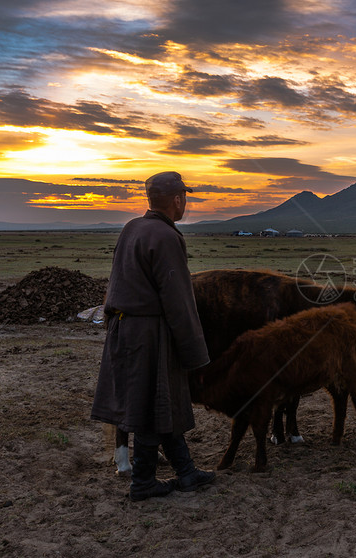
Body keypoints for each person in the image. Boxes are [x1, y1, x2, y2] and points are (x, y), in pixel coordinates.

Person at [91, 171, 215, 502]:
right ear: (177, 200)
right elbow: (179, 302)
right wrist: (195, 355)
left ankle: (186, 471)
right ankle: (143, 482)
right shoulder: (166, 237)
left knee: (161, 401)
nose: (185, 202)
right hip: (150, 333)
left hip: (122, 328)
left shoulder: (132, 228)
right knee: (152, 404)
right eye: (184, 197)